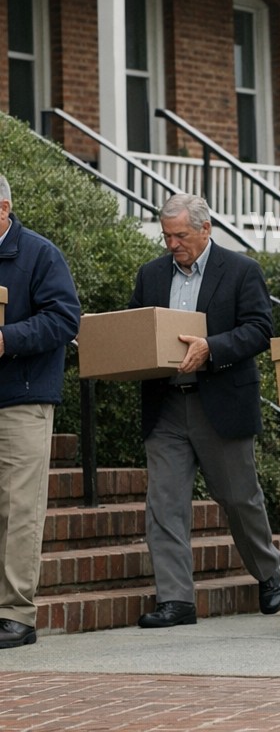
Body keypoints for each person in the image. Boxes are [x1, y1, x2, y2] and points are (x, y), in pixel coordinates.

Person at [129, 193, 280, 628]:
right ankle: (176, 600)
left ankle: (268, 572)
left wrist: (211, 349)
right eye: (166, 236)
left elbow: (260, 329)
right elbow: (135, 327)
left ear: (205, 229)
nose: (172, 244)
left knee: (240, 498)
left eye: (180, 235)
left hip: (220, 402)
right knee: (164, 505)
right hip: (165, 407)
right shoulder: (150, 275)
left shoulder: (241, 271)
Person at [0, 175, 81, 648]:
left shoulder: (40, 254)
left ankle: (16, 614)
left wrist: (7, 340)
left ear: (4, 207)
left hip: (23, 400)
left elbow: (63, 318)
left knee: (19, 511)